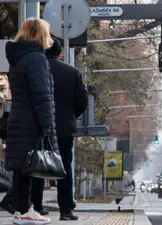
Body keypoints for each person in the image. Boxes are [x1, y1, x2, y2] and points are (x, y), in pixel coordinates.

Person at [5, 18, 57, 224]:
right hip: (31, 121)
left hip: (19, 117)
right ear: (42, 35)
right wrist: (47, 124)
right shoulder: (36, 59)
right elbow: (42, 94)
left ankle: (21, 210)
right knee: (31, 167)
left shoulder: (17, 59)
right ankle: (26, 210)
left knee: (22, 167)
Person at [45, 38, 88, 220]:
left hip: (40, 126)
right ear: (60, 53)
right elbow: (82, 102)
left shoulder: (37, 70)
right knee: (64, 168)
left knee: (37, 165)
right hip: (64, 128)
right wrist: (71, 115)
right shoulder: (72, 72)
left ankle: (35, 207)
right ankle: (65, 210)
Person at [0, 76, 49, 217]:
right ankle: (24, 207)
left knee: (24, 171)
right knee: (31, 169)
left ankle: (18, 204)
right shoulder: (34, 90)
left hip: (19, 133)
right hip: (29, 132)